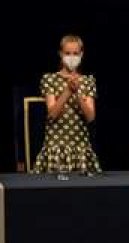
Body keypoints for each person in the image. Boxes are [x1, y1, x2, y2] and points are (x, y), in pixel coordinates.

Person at [32, 35, 99, 175]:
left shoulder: (88, 81)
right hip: (56, 149)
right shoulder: (50, 79)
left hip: (81, 150)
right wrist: (67, 91)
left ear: (81, 54)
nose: (72, 57)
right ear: (60, 54)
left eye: (75, 53)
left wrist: (78, 94)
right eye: (67, 53)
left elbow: (91, 117)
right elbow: (52, 114)